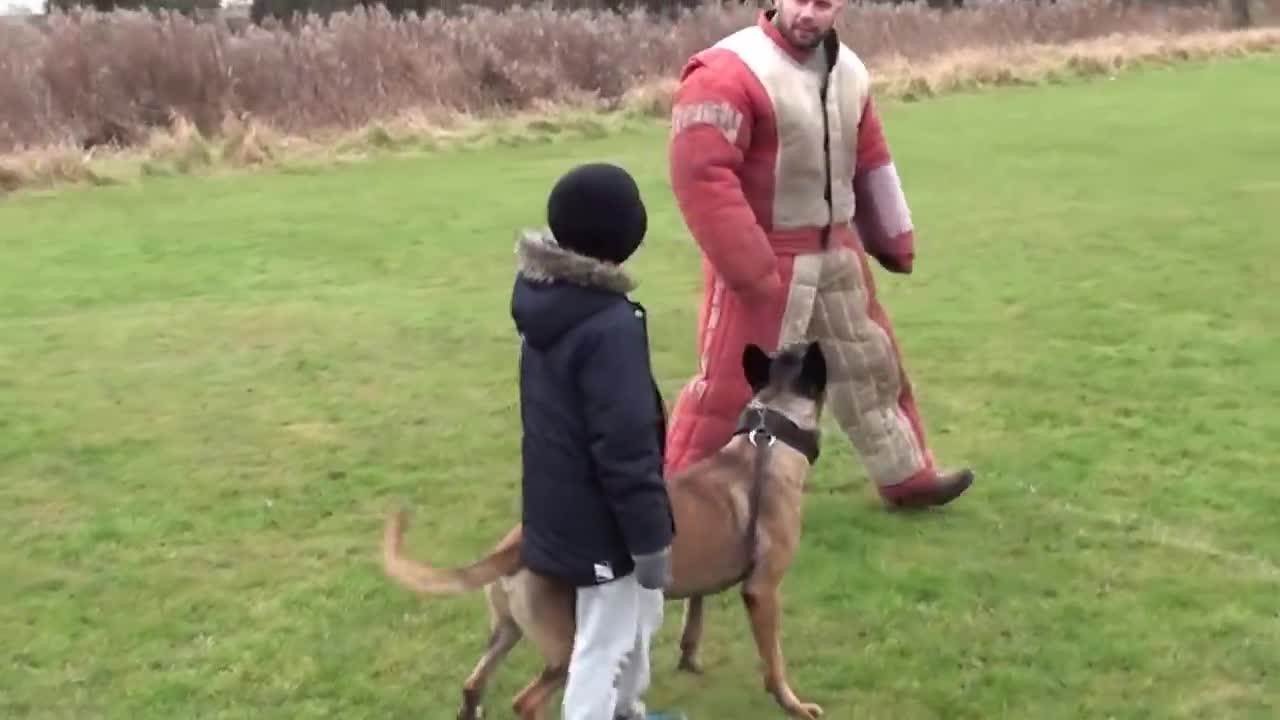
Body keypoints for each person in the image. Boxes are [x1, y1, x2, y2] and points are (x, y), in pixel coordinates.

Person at [663, 0, 975, 510]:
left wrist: (891, 234)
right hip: (767, 252)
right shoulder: (727, 69)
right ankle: (675, 500)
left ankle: (907, 475)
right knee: (725, 390)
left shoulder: (849, 69)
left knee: (871, 368)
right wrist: (749, 266)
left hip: (838, 249)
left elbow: (870, 156)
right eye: (799, 0)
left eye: (823, 3)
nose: (809, 13)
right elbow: (701, 172)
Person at [510, 162, 683, 720]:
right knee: (603, 641)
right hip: (601, 522)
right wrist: (650, 539)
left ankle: (627, 711)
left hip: (561, 508)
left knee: (640, 614)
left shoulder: (550, 303)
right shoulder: (607, 325)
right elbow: (624, 443)